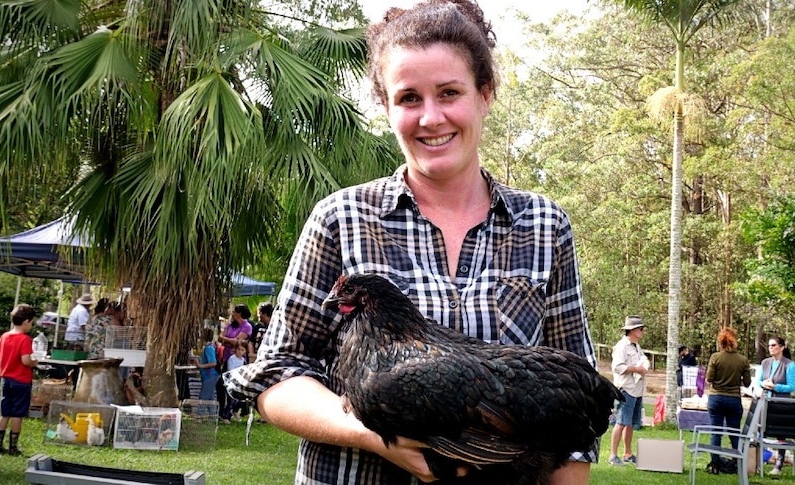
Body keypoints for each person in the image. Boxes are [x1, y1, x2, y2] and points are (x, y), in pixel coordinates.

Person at [224, 1, 597, 483]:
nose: (431, 117)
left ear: (485, 94)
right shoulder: (341, 218)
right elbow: (275, 376)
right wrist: (373, 430)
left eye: (449, 92)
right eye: (409, 98)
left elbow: (575, 406)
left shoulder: (544, 225)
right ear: (386, 106)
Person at [0, 303, 39, 455]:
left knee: (4, 412)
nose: (31, 325)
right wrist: (34, 362)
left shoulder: (4, 336)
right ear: (26, 321)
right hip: (21, 381)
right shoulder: (24, 339)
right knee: (17, 413)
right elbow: (26, 360)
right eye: (31, 322)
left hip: (6, 379)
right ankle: (13, 447)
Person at [705, 327, 751, 474]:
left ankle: (715, 465)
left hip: (716, 398)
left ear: (721, 342)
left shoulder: (715, 357)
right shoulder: (742, 360)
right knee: (734, 433)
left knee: (716, 433)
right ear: (734, 341)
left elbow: (709, 379)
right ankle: (737, 465)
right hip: (733, 399)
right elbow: (748, 383)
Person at [609, 315, 649, 466]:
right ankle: (613, 456)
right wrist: (637, 369)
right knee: (621, 422)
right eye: (640, 328)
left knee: (631, 423)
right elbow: (617, 367)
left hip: (637, 390)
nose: (642, 331)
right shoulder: (622, 346)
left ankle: (627, 453)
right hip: (626, 390)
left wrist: (643, 365)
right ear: (632, 330)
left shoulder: (636, 346)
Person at [759, 336, 795, 476]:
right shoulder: (765, 362)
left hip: (781, 405)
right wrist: (763, 384)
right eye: (769, 345)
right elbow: (759, 381)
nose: (771, 348)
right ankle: (759, 461)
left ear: (782, 347)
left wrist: (776, 386)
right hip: (765, 402)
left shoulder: (789, 365)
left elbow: (791, 386)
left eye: (773, 345)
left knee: (781, 435)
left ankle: (779, 464)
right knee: (760, 430)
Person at [221, 341, 248, 424]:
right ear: (235, 349)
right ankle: (226, 417)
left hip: (239, 383)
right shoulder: (232, 359)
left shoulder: (243, 360)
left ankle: (235, 411)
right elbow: (231, 370)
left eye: (242, 350)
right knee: (231, 400)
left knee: (241, 399)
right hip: (231, 382)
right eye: (239, 349)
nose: (240, 352)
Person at [192, 328, 219, 401]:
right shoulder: (208, 347)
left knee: (203, 397)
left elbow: (213, 363)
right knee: (210, 397)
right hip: (208, 375)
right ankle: (212, 412)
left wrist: (200, 366)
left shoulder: (209, 348)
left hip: (210, 375)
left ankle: (201, 412)